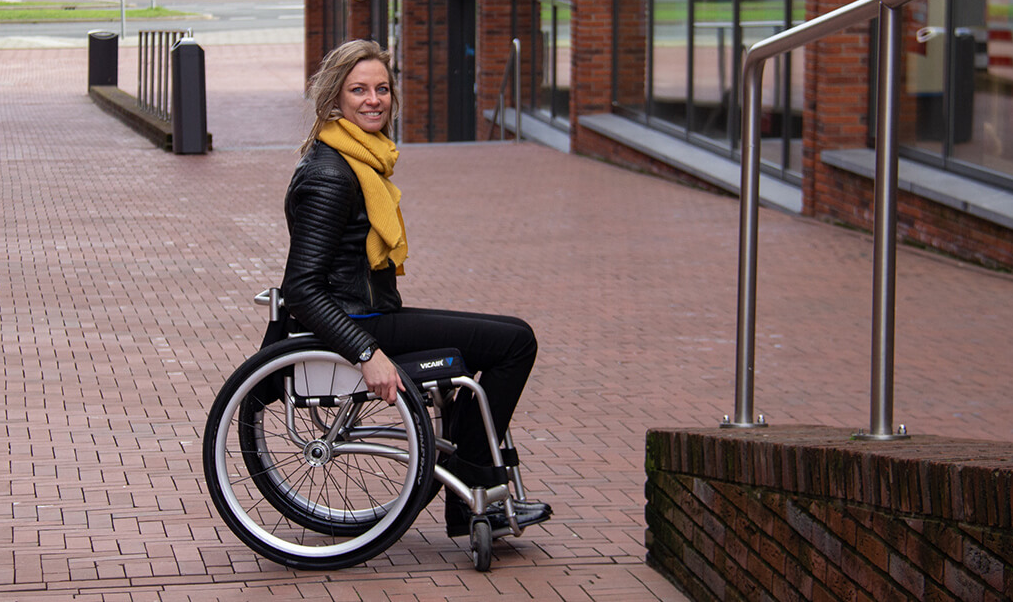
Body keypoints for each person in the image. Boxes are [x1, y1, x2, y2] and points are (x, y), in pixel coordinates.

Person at [279, 39, 551, 537]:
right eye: (358, 90)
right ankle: (472, 499)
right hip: (357, 327)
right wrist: (367, 354)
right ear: (334, 98)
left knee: (502, 340)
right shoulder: (331, 174)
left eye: (382, 89)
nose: (373, 100)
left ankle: (472, 498)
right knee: (515, 342)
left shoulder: (358, 160)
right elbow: (300, 287)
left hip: (369, 315)